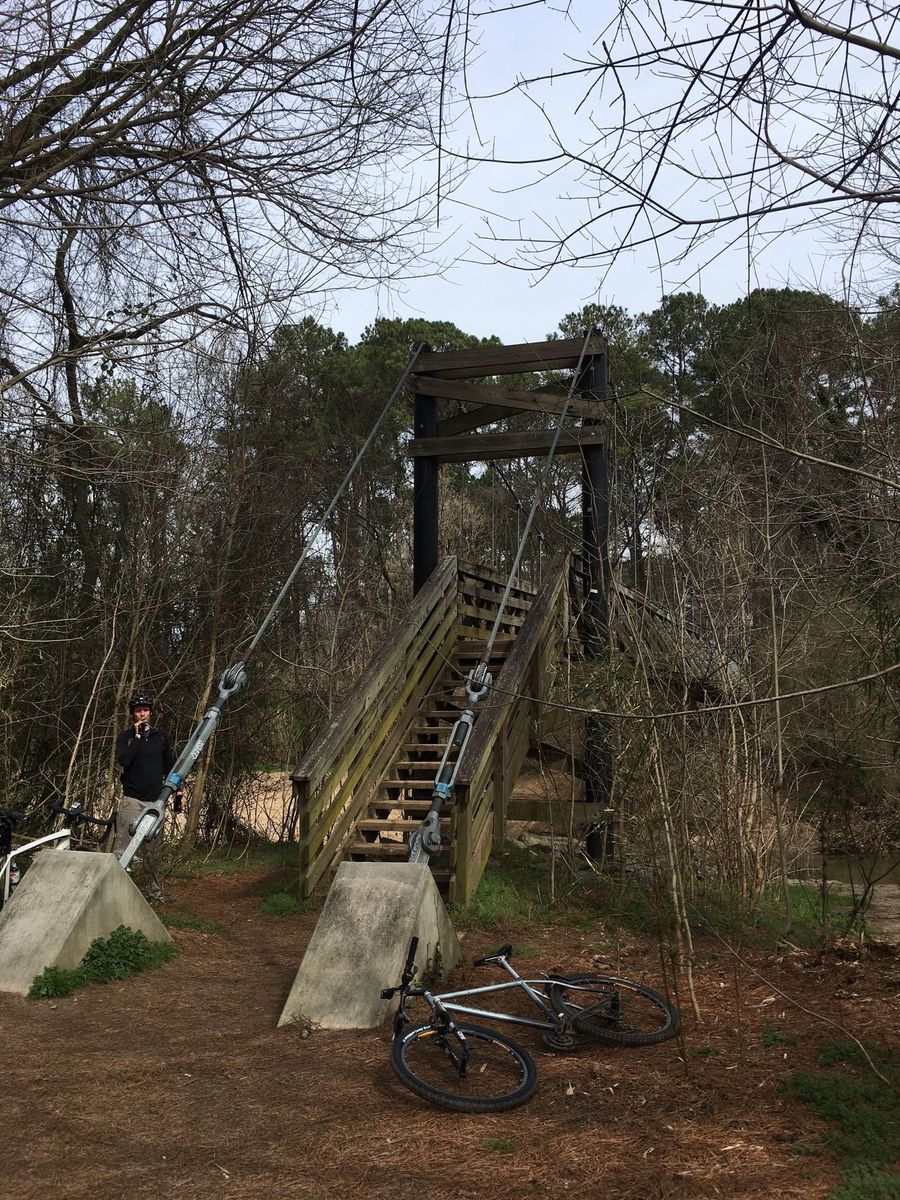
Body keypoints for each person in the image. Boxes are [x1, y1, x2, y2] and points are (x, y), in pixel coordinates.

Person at [114, 691, 182, 902]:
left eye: (145, 710)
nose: (142, 714)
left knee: (153, 852)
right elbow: (124, 760)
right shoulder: (125, 737)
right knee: (123, 849)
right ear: (132, 714)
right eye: (138, 711)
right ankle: (116, 892)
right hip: (132, 800)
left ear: (150, 713)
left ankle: (154, 892)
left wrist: (178, 790)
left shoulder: (160, 737)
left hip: (155, 802)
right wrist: (136, 737)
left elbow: (170, 765)